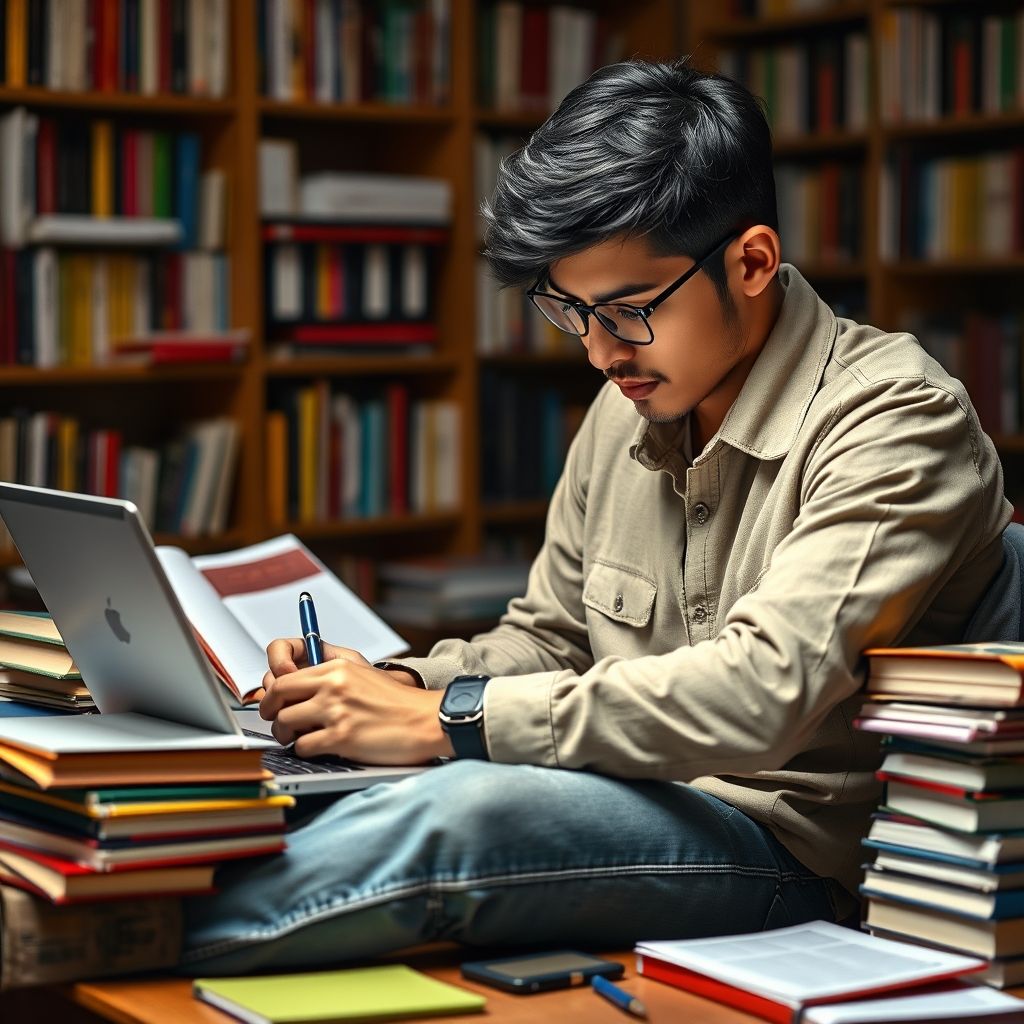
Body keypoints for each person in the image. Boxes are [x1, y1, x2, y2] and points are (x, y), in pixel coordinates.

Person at [180, 59, 1011, 973]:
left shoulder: (897, 420)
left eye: (627, 311)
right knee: (321, 789)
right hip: (622, 786)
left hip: (788, 850)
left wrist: (452, 723)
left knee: (454, 817)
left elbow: (764, 690)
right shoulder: (633, 400)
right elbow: (548, 638)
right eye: (570, 311)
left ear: (753, 262)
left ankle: (100, 931)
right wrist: (395, 688)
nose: (599, 353)